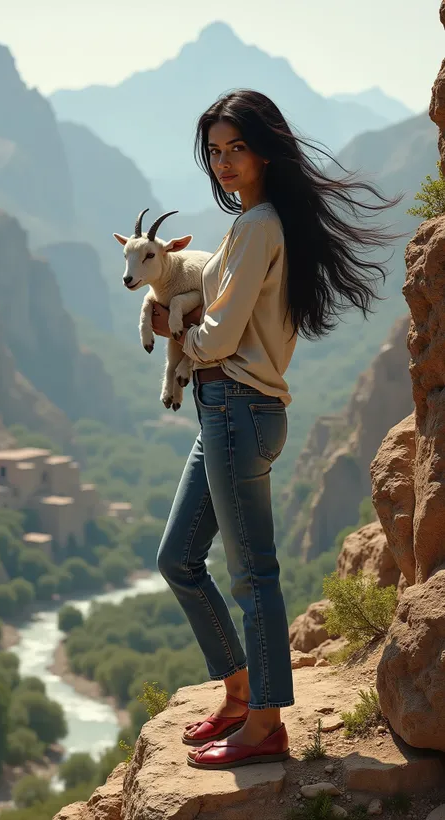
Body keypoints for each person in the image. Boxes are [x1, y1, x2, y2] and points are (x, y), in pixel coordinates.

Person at [151, 88, 402, 770]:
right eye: (215, 151)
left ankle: (265, 726)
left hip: (238, 407)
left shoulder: (260, 225)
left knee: (252, 574)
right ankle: (239, 693)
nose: (224, 162)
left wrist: (172, 323)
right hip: (222, 411)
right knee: (177, 559)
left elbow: (220, 333)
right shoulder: (252, 222)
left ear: (264, 151)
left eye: (236, 148)